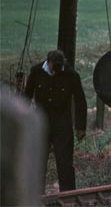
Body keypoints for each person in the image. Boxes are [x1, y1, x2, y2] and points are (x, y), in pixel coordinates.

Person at [25, 50, 87, 192]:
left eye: (60, 66)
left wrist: (80, 127)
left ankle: (68, 195)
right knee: (37, 161)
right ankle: (35, 194)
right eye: (55, 67)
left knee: (64, 162)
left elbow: (80, 101)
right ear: (49, 62)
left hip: (62, 123)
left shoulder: (71, 75)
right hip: (40, 123)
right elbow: (27, 96)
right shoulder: (36, 72)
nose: (57, 70)